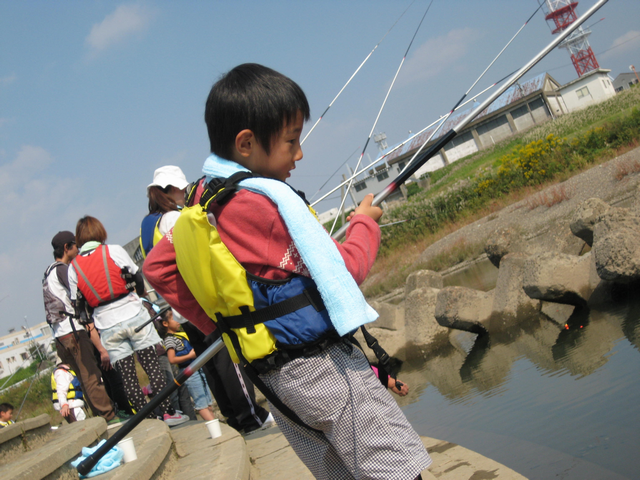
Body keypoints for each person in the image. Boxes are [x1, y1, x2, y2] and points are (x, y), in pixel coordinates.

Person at [144, 63, 431, 479]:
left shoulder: (202, 202)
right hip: (322, 368)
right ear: (246, 143)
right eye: (291, 141)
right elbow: (346, 270)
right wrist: (366, 222)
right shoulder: (257, 205)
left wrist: (228, 325)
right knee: (395, 469)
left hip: (276, 381)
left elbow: (158, 268)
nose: (299, 154)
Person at [143, 165, 273, 434]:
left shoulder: (150, 223)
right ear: (169, 191)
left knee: (210, 364)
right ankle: (251, 416)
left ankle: (235, 419)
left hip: (182, 311)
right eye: (180, 188)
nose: (183, 192)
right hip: (200, 303)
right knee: (228, 359)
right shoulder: (172, 219)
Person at [68, 216, 188, 427]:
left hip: (106, 324)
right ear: (99, 232)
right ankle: (168, 413)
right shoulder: (112, 250)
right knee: (153, 369)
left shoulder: (73, 268)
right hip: (133, 314)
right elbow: (136, 276)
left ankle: (149, 422)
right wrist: (140, 295)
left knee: (128, 378)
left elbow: (78, 305)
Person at [42, 231, 118, 424]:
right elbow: (81, 292)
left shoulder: (48, 272)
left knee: (83, 382)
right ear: (67, 248)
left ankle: (98, 421)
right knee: (92, 377)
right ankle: (109, 418)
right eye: (75, 245)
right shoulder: (63, 270)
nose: (78, 249)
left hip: (60, 338)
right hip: (74, 332)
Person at [157, 310, 215, 421]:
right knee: (201, 402)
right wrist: (189, 356)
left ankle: (215, 422)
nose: (178, 321)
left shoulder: (179, 335)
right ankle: (213, 424)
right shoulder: (169, 339)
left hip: (198, 368)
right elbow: (172, 359)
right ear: (165, 323)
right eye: (174, 319)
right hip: (189, 372)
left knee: (208, 400)